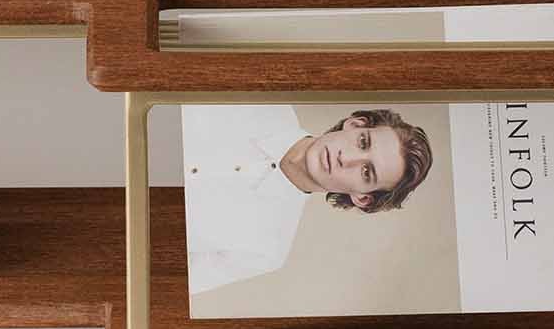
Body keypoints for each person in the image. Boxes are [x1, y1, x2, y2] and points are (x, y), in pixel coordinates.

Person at [182, 104, 435, 292]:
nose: (346, 158)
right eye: (362, 142)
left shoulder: (267, 250)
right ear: (355, 124)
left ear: (362, 198)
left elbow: (167, 280)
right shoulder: (258, 99)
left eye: (366, 171)